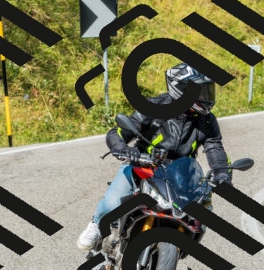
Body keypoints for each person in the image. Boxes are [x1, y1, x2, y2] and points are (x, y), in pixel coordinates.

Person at [77, 62, 233, 250]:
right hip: (143, 166)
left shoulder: (207, 120)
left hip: (179, 175)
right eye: (200, 92)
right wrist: (123, 149)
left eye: (207, 91)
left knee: (199, 215)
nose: (206, 97)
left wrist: (222, 173)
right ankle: (96, 224)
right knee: (112, 203)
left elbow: (215, 147)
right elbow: (119, 132)